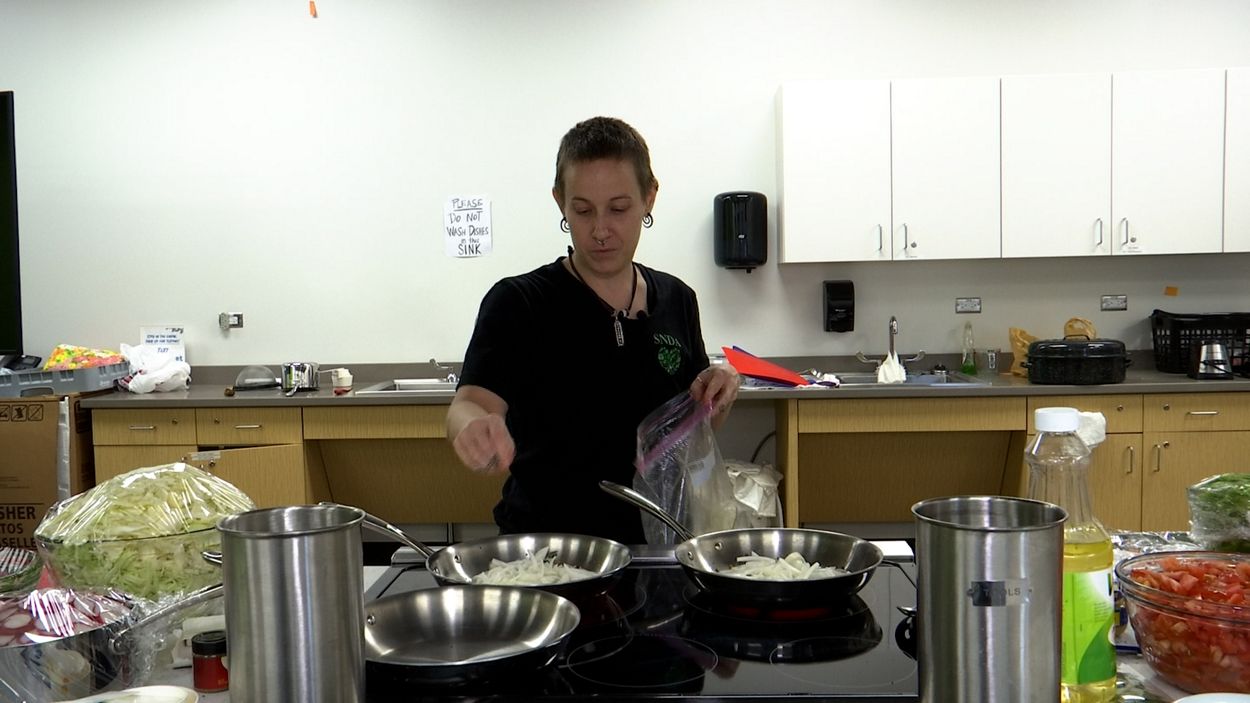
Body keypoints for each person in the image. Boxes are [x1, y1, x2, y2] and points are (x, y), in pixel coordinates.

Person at [446, 116, 740, 545]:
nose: (600, 230)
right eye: (583, 210)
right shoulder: (519, 302)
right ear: (560, 202)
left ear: (649, 197)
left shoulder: (677, 299)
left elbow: (693, 428)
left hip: (658, 548)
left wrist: (719, 391)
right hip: (549, 556)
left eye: (618, 208)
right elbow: (470, 403)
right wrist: (472, 426)